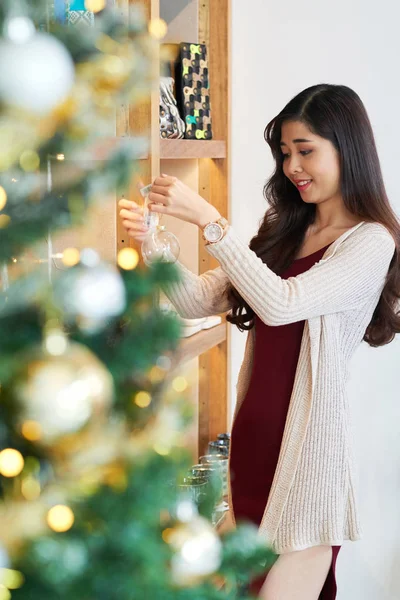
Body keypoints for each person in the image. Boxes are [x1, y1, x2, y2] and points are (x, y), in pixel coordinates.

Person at [119, 83, 400, 599]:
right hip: (251, 448)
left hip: (309, 464)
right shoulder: (287, 231)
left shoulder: (370, 241)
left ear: (348, 148)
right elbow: (195, 301)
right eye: (286, 153)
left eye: (306, 151)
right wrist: (151, 243)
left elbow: (282, 303)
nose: (293, 166)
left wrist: (209, 220)